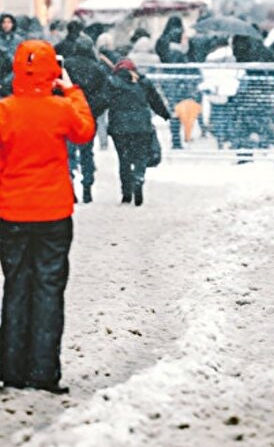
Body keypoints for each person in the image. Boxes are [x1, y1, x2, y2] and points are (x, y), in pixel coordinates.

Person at [0, 40, 95, 394]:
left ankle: (12, 369)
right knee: (49, 290)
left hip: (10, 213)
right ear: (51, 72)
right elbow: (84, 131)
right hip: (53, 213)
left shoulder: (5, 110)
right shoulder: (60, 109)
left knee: (15, 286)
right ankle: (43, 372)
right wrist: (71, 90)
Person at [104, 60, 169, 205]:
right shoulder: (143, 82)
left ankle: (126, 193)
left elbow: (103, 101)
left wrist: (90, 112)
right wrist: (165, 114)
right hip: (141, 126)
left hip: (119, 128)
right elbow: (155, 100)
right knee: (140, 156)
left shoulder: (112, 83)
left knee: (124, 160)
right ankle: (139, 177)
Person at [60, 37, 109, 203]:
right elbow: (104, 95)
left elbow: (59, 88)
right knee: (87, 152)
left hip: (68, 113)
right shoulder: (98, 68)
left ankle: (70, 184)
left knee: (69, 153)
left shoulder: (67, 66)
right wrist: (92, 110)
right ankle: (87, 185)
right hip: (88, 115)